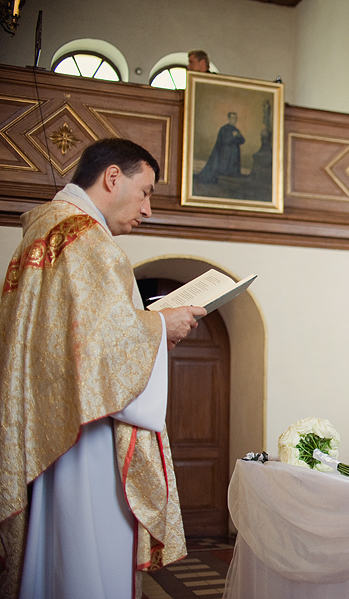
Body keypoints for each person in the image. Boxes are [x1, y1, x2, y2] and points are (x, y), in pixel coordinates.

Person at [0, 138, 206, 598]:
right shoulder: (85, 238)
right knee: (86, 555)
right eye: (146, 191)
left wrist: (150, 325)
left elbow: (74, 342)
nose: (148, 208)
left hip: (51, 426)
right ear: (113, 177)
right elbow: (102, 349)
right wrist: (160, 325)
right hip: (85, 434)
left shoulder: (44, 230)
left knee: (53, 548)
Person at [197, 111, 245, 184]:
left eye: (235, 118)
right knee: (223, 173)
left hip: (234, 156)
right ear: (229, 119)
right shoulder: (224, 129)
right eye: (232, 118)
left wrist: (238, 136)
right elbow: (224, 141)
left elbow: (242, 141)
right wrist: (232, 136)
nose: (234, 120)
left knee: (233, 175)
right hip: (225, 155)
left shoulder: (236, 130)